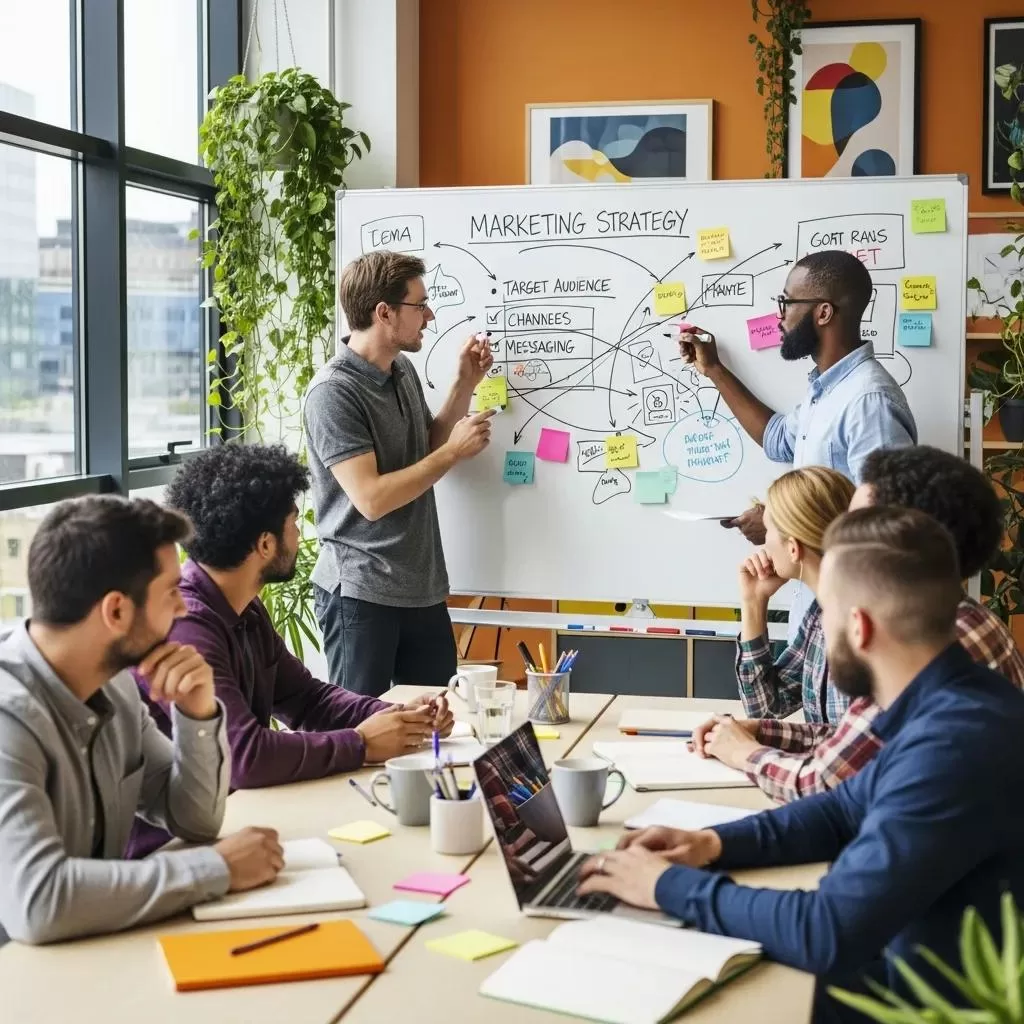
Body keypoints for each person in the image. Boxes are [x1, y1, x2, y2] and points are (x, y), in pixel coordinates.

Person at [578, 507, 1024, 1021]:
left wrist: (664, 886)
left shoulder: (955, 746)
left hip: (934, 1004)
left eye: (824, 611)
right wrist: (712, 844)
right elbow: (840, 811)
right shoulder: (949, 697)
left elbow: (826, 930)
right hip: (913, 966)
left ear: (857, 627)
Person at [127, 444, 454, 858]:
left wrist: (396, 717)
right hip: (172, 853)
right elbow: (244, 757)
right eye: (294, 522)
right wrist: (360, 743)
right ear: (265, 545)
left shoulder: (243, 606)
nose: (300, 535)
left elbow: (306, 698)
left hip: (231, 825)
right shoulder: (189, 625)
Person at [0, 496, 284, 945]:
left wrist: (197, 712)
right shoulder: (8, 718)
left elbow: (193, 820)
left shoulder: (115, 686)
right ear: (116, 611)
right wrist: (217, 868)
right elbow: (39, 901)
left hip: (90, 949)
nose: (183, 609)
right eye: (171, 592)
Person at [697, 445, 1024, 803]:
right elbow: (851, 740)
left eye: (854, 522)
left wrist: (744, 752)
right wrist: (761, 732)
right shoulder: (902, 616)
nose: (838, 532)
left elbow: (827, 781)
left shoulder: (937, 636)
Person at [680, 249, 917, 640]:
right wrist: (714, 370)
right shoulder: (825, 392)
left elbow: (885, 527)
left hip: (854, 624)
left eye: (786, 303)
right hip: (817, 617)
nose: (779, 316)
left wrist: (780, 524)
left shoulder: (868, 402)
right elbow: (776, 438)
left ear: (823, 313)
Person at [304, 250, 496, 697]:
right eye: (420, 305)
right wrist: (453, 453)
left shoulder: (401, 370)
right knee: (363, 725)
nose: (429, 316)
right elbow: (372, 499)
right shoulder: (333, 393)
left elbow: (423, 448)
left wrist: (465, 384)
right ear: (384, 312)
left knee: (437, 721)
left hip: (420, 588)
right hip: (361, 592)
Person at [733, 466, 855, 728]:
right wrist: (754, 602)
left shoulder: (862, 623)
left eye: (768, 531)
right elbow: (766, 709)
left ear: (792, 548)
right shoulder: (819, 614)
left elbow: (851, 745)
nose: (764, 543)